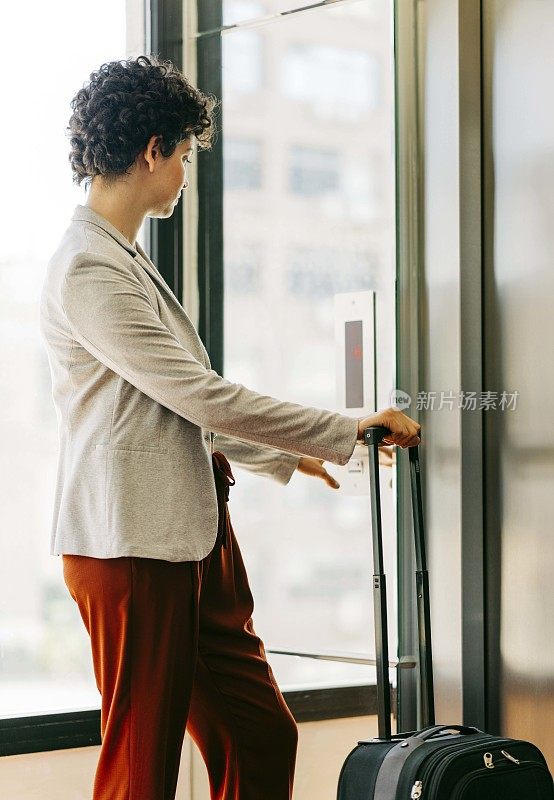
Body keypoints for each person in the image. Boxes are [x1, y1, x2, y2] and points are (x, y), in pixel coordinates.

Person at [39, 55, 421, 800]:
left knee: (260, 734)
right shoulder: (87, 267)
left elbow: (171, 408)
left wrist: (288, 457)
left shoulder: (123, 259)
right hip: (130, 547)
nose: (185, 174)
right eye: (183, 156)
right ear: (152, 150)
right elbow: (200, 396)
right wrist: (335, 430)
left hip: (189, 534)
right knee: (140, 771)